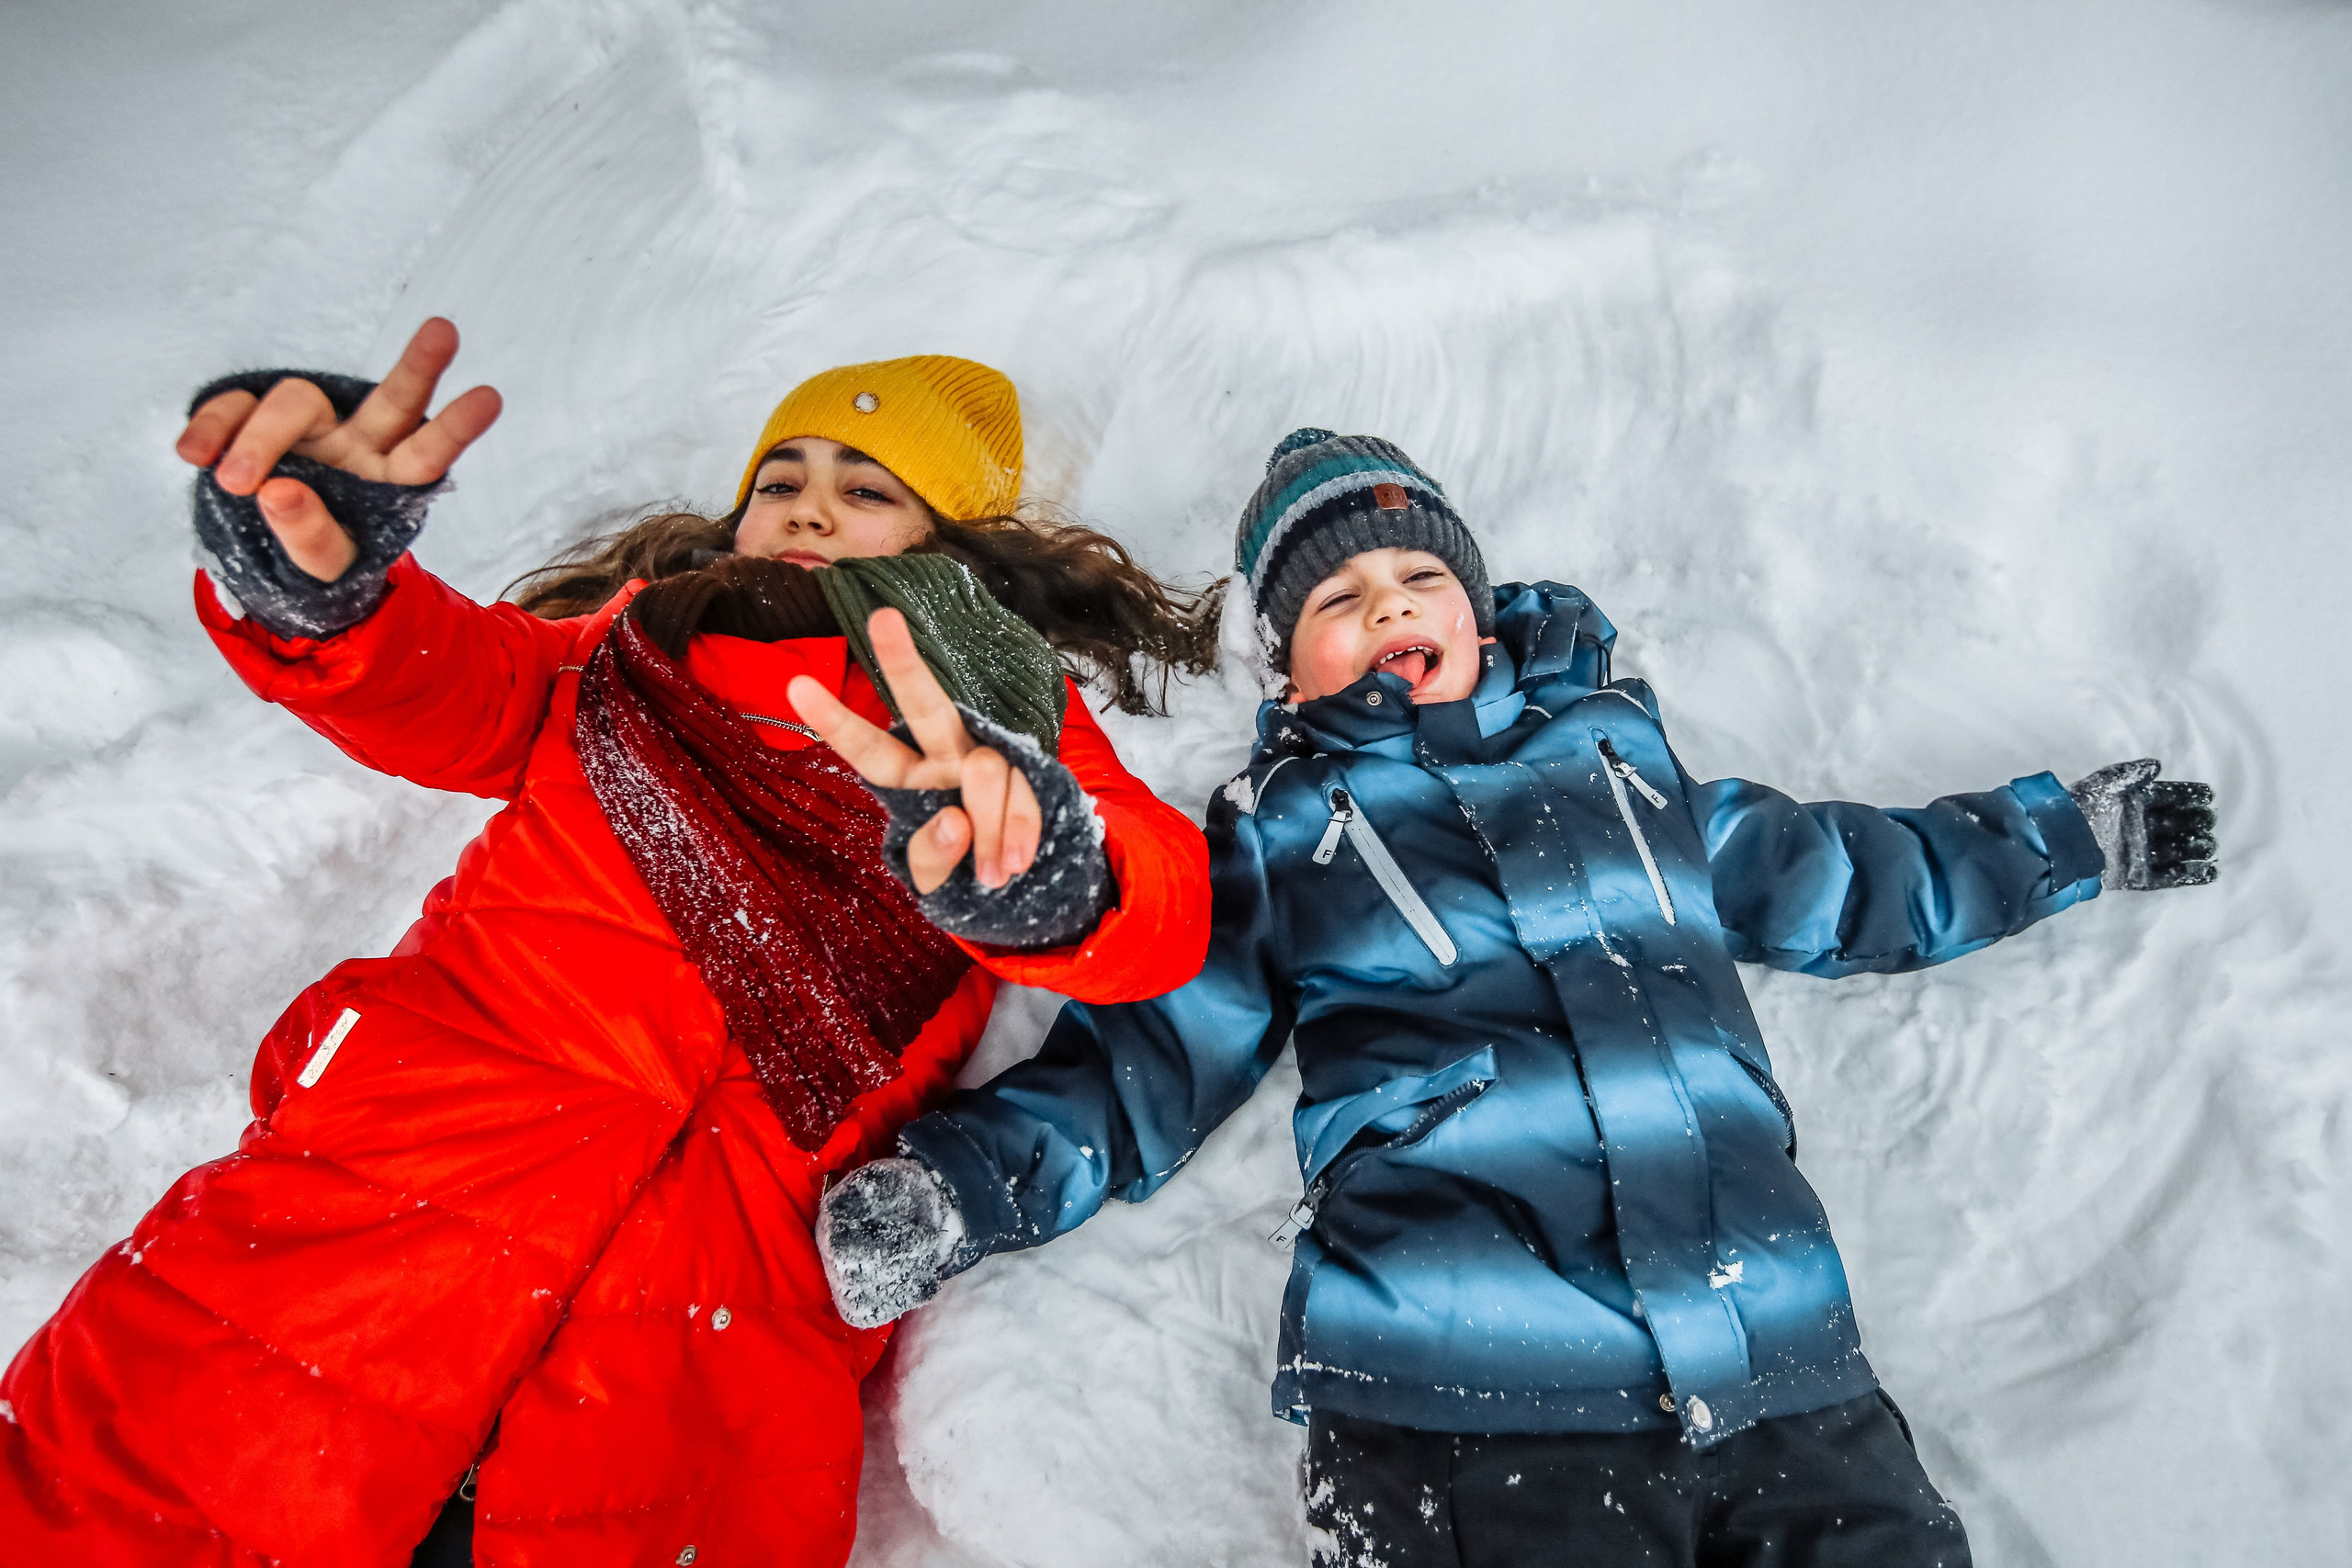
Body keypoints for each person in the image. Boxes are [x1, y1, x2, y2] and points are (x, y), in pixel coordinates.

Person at [814, 427, 2220, 1568]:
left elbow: (1854, 874)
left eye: (1416, 583)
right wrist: (954, 1187)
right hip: (1462, 1397)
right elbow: (1152, 1058)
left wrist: (2067, 839)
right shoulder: (1285, 835)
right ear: (1286, 668)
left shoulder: (1636, 780)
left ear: (1476, 611)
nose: (1386, 615)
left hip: (1782, 1369)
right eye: (1334, 607)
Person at [0, 319, 1216, 1568]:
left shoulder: (996, 725)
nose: (805, 509)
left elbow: (1158, 906)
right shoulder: (620, 661)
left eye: (866, 489)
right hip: (381, 1203)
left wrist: (1047, 883)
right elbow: (433, 677)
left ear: (954, 547)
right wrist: (320, 586)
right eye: (778, 481)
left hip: (699, 1332)